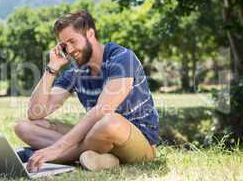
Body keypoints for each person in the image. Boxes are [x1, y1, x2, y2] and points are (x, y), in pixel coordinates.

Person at [14, 10, 159, 172]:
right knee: (24, 127)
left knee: (109, 122)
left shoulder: (122, 58)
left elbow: (102, 111)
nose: (68, 50)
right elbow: (36, 112)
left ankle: (40, 155)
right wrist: (52, 68)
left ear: (90, 34)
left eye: (72, 41)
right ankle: (101, 158)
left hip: (137, 142)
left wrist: (57, 149)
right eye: (64, 45)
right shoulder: (76, 72)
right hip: (96, 138)